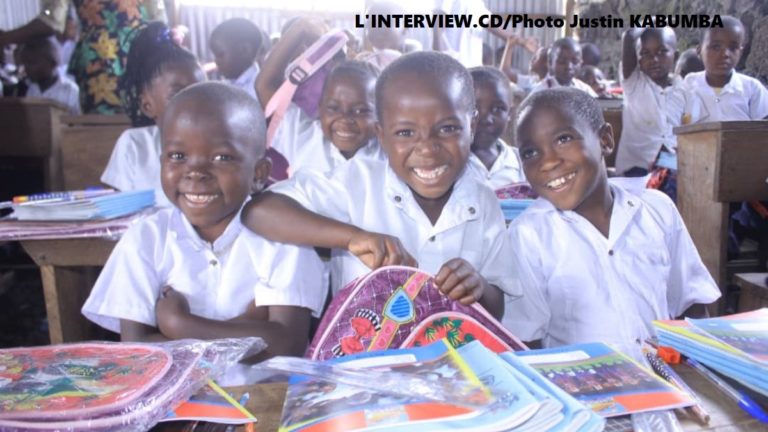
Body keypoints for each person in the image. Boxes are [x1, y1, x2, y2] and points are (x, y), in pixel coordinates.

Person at [242, 52, 519, 318]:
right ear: (382, 136)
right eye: (405, 133)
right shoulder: (357, 183)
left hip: (451, 359)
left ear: (471, 126)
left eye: (447, 128)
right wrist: (351, 237)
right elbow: (260, 211)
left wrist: (478, 287)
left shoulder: (483, 201)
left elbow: (497, 308)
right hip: (362, 363)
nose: (427, 149)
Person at [82, 82, 326, 357]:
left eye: (222, 157)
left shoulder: (284, 240)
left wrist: (179, 325)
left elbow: (286, 344)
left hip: (266, 397)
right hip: (176, 400)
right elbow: (138, 351)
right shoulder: (146, 239)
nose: (195, 171)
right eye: (178, 156)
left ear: (258, 173)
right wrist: (250, 331)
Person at [503, 88, 720, 348]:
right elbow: (527, 341)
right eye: (530, 153)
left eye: (563, 139)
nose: (547, 162)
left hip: (665, 379)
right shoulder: (529, 234)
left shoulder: (657, 210)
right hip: (578, 386)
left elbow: (692, 303)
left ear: (605, 139)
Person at [0, 0, 171, 114]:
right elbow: (159, 20)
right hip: (142, 55)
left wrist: (5, 38)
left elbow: (52, 20)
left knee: (99, 135)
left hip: (99, 61)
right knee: (144, 125)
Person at [100, 22, 205, 207]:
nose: (193, 103)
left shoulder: (217, 146)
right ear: (147, 105)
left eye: (201, 92)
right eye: (178, 94)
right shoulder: (135, 144)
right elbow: (117, 213)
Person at [271, 60, 385, 175]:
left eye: (360, 110)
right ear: (320, 107)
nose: (344, 119)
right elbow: (265, 86)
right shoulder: (304, 137)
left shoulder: (390, 157)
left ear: (381, 114)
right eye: (334, 108)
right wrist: (294, 40)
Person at [614, 27, 687, 189]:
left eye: (662, 52)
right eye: (645, 53)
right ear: (638, 60)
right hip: (637, 166)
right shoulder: (633, 84)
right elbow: (629, 36)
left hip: (670, 163)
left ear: (675, 56)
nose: (654, 59)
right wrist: (652, 22)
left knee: (679, 181)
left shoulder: (682, 88)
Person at [684, 16, 768, 122]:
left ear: (740, 52)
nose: (725, 54)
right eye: (716, 47)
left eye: (733, 48)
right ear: (699, 51)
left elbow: (764, 130)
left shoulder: (752, 89)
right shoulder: (688, 85)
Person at [466, 66, 525, 188]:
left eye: (498, 109)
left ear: (509, 114)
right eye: (474, 108)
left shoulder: (521, 163)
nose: (486, 119)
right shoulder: (447, 161)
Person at [18, 36, 80, 114]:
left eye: (32, 63)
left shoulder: (70, 90)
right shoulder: (32, 89)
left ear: (52, 64)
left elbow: (76, 122)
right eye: (25, 63)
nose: (27, 68)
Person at [209, 18, 264, 102]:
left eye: (220, 54)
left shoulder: (259, 88)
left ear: (244, 50)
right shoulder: (225, 85)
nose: (216, 61)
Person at [530, 37, 597, 97]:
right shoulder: (541, 91)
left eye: (575, 61)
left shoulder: (583, 89)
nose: (569, 67)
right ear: (550, 63)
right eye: (562, 61)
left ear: (581, 62)